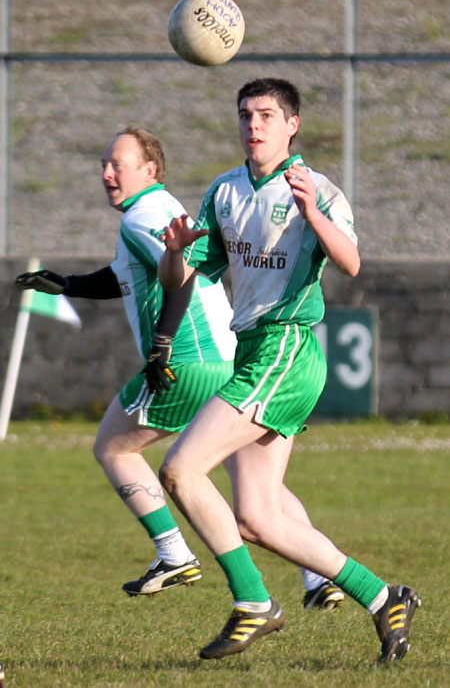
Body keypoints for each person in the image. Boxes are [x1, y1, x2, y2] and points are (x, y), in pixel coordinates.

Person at [15, 124, 335, 608]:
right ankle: (319, 580)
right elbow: (128, 276)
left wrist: (161, 345)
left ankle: (174, 554)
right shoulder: (161, 210)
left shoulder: (141, 217)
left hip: (186, 362)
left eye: (116, 165)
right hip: (227, 359)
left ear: (149, 170)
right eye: (103, 164)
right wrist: (69, 284)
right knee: (248, 478)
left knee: (113, 448)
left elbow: (178, 278)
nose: (105, 173)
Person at [157, 78, 421, 662]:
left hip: (287, 349)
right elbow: (184, 278)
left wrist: (313, 215)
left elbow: (351, 263)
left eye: (268, 115)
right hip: (253, 351)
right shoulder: (224, 192)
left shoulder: (316, 188)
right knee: (254, 517)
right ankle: (383, 598)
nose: (255, 125)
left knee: (179, 471)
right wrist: (174, 252)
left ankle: (254, 601)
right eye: (247, 115)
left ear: (292, 125)